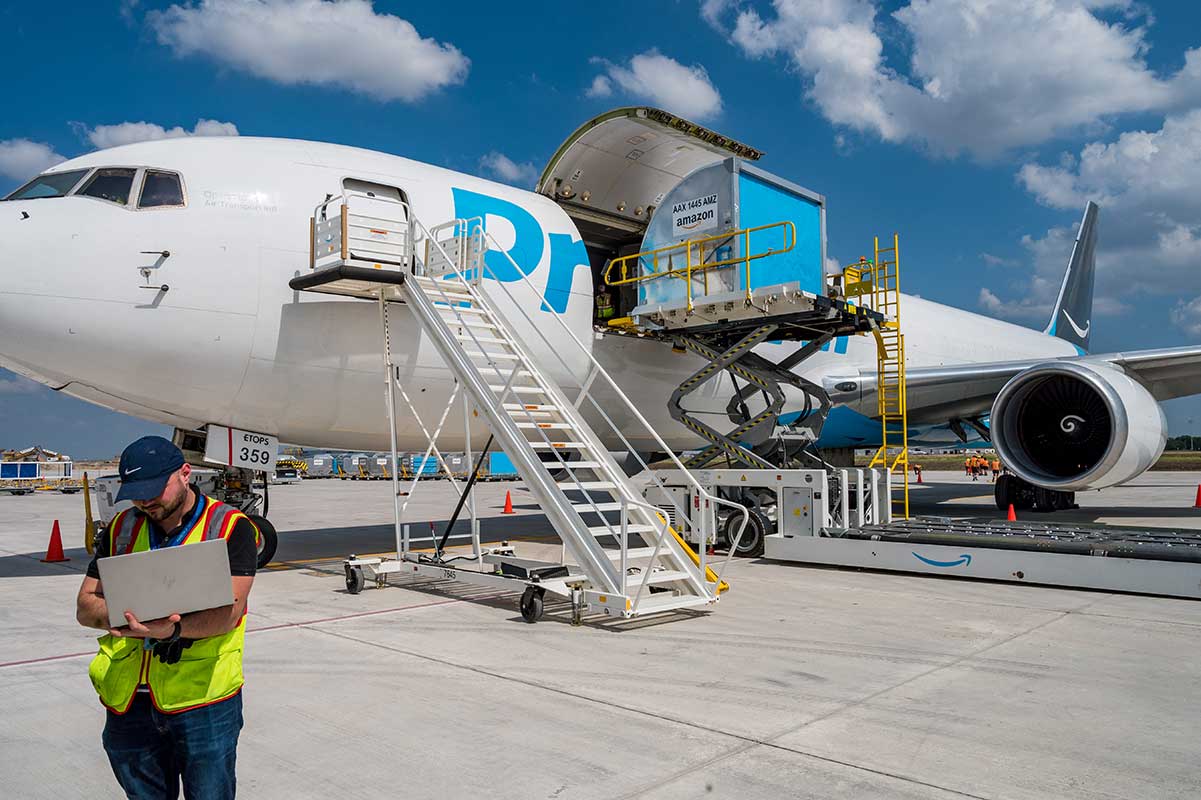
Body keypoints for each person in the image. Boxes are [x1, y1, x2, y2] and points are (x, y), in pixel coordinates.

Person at [76, 436, 260, 799]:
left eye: (154, 489)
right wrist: (132, 620)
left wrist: (172, 629)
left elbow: (230, 613)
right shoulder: (122, 528)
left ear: (185, 474)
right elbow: (85, 605)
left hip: (203, 699)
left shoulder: (229, 527)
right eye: (137, 492)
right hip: (130, 701)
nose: (145, 501)